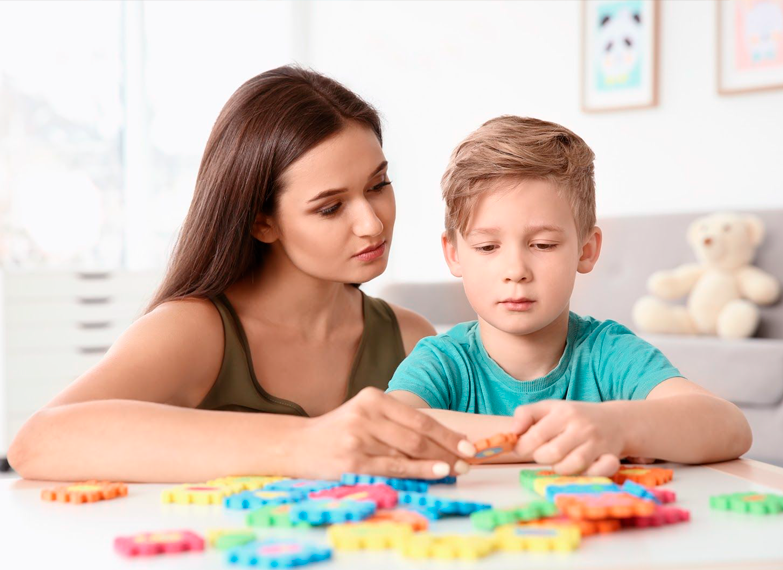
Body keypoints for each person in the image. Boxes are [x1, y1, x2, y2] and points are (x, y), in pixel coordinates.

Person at [8, 66, 476, 483]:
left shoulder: (409, 338)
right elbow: (38, 442)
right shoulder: (194, 331)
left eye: (378, 186)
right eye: (330, 207)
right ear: (261, 221)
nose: (372, 223)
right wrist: (304, 443)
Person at [388, 116, 753, 476]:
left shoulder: (608, 353)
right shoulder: (443, 361)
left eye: (543, 244)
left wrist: (618, 427)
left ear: (586, 250)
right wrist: (557, 439)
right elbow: (389, 430)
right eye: (487, 247)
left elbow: (730, 426)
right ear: (454, 253)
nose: (515, 270)